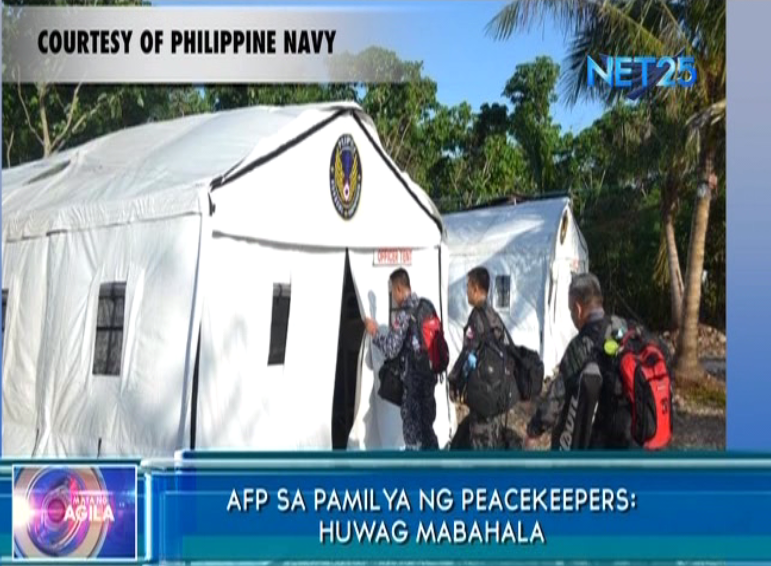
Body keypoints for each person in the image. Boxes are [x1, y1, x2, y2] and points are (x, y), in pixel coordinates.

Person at [525, 272, 634, 450]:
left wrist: (534, 430)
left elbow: (557, 395)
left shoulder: (582, 345)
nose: (572, 316)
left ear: (578, 308)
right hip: (631, 438)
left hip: (597, 442)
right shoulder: (623, 329)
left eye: (570, 311)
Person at [364, 269, 438, 450]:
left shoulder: (404, 314)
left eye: (392, 292)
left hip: (412, 387)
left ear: (398, 288)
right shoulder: (427, 306)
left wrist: (375, 332)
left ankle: (416, 467)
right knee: (428, 432)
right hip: (429, 382)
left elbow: (391, 349)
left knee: (414, 440)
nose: (393, 297)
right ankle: (435, 465)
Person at [448, 267, 513, 449]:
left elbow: (468, 355)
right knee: (492, 437)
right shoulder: (494, 316)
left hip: (481, 392)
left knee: (479, 442)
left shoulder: (476, 318)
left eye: (468, 286)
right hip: (497, 392)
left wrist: (454, 382)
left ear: (476, 288)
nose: (467, 291)